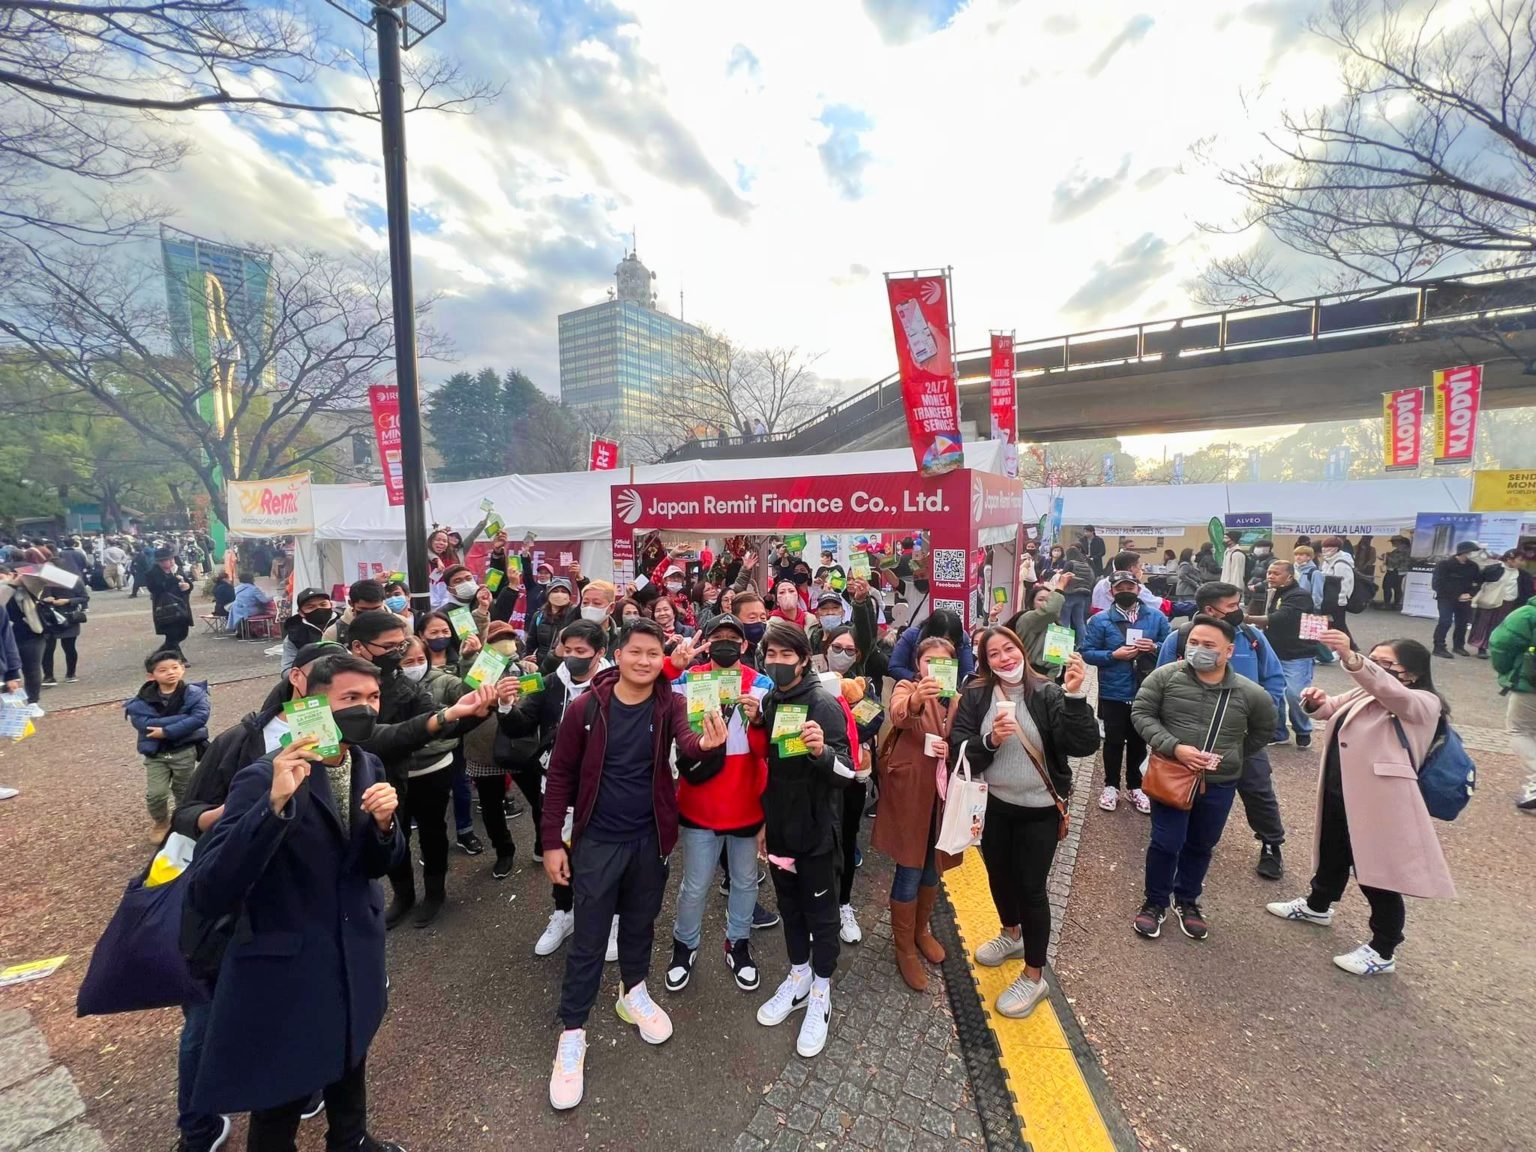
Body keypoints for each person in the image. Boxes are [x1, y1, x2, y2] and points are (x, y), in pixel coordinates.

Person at [183, 653, 409, 1152]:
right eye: (350, 698)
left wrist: (385, 826)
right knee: (282, 1089)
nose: (366, 710)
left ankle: (350, 1138)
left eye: (372, 699)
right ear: (310, 703)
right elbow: (212, 886)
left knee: (351, 1051)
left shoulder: (366, 762)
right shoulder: (265, 775)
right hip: (291, 960)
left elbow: (377, 864)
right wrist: (273, 808)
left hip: (356, 947)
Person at [542, 619, 726, 1110]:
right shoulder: (586, 708)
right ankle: (573, 1031)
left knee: (641, 924)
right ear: (617, 655)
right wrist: (551, 845)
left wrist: (709, 746)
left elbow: (688, 744)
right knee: (589, 938)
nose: (644, 661)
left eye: (653, 654)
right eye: (636, 652)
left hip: (650, 838)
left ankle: (634, 991)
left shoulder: (671, 703)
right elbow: (559, 775)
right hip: (597, 842)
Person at [1266, 632, 1456, 975]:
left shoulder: (1424, 702)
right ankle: (1317, 905)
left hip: (1383, 800)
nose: (1376, 669)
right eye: (1374, 660)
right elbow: (1328, 710)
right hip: (1344, 790)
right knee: (1333, 850)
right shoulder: (1366, 691)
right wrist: (1314, 700)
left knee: (1378, 873)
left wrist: (1354, 659)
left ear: (1411, 673)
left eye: (1385, 664)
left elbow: (1390, 691)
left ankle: (1383, 949)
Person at [951, 628, 1098, 1016]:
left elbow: (1082, 746)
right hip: (995, 805)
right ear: (986, 661)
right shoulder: (976, 693)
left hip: (1040, 810)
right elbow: (958, 748)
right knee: (998, 877)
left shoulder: (1048, 692)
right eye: (994, 653)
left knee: (1031, 888)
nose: (1004, 658)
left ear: (1022, 651)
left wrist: (1076, 696)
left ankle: (1034, 977)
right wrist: (991, 742)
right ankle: (1010, 934)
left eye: (1009, 649)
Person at [345, 608, 497, 927]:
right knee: (391, 833)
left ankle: (434, 894)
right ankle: (402, 896)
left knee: (433, 831)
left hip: (431, 772)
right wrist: (443, 717)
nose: (401, 654)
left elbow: (441, 726)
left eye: (404, 646)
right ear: (359, 647)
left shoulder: (408, 685)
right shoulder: (332, 681)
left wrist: (477, 712)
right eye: (391, 647)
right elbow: (374, 738)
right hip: (379, 779)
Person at [1131, 617, 1278, 942]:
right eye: (1194, 643)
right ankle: (1155, 902)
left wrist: (1231, 757)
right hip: (1171, 775)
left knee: (1201, 843)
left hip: (1219, 783)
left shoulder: (1251, 694)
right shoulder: (1165, 677)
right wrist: (1175, 748)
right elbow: (1141, 714)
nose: (1198, 650)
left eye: (1208, 645)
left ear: (1228, 651)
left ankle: (1188, 900)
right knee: (1166, 842)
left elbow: (1262, 733)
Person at [752, 619, 855, 1059]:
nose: (776, 663)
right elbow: (773, 768)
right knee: (789, 907)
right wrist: (764, 824)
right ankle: (797, 976)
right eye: (770, 655)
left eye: (785, 656)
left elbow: (850, 774)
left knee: (822, 915)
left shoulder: (823, 703)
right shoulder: (773, 699)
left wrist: (822, 752)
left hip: (816, 833)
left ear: (802, 659)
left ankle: (821, 991)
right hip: (779, 827)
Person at [662, 614, 773, 995]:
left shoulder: (761, 684)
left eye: (733, 637)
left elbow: (768, 750)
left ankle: (737, 943)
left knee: (744, 882)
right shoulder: (687, 681)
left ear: (744, 645)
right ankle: (684, 946)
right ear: (706, 643)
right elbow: (648, 690)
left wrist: (759, 722)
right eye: (717, 636)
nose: (726, 642)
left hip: (746, 805)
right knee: (694, 885)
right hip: (698, 804)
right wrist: (671, 663)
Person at [1157, 581, 1290, 878]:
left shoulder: (1251, 637)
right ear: (1210, 610)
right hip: (1188, 738)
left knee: (1257, 790)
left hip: (1239, 738)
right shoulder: (1178, 640)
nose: (1239, 611)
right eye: (1232, 606)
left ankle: (1271, 844)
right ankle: (1176, 846)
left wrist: (1257, 721)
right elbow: (1159, 687)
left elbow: (1274, 679)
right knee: (1176, 789)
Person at [497, 619, 610, 955]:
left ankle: (612, 918)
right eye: (567, 649)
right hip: (558, 784)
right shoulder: (547, 683)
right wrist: (505, 705)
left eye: (581, 651)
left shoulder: (614, 684)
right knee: (561, 850)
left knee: (606, 854)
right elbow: (519, 726)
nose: (572, 657)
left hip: (604, 785)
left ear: (600, 653)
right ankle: (564, 912)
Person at [876, 636, 960, 991]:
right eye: (929, 661)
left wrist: (951, 746)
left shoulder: (956, 698)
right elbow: (899, 714)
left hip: (942, 799)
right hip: (910, 794)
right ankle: (903, 947)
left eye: (944, 663)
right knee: (909, 868)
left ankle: (921, 930)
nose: (935, 669)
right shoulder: (908, 688)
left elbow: (967, 736)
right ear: (918, 664)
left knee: (932, 868)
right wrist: (915, 699)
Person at [1083, 570, 1169, 813]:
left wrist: (1154, 647)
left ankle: (1136, 786)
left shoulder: (1156, 617)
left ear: (1138, 590)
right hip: (1113, 690)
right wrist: (1113, 655)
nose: (1125, 592)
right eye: (1120, 588)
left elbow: (1170, 648)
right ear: (1112, 592)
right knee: (1112, 741)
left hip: (1145, 689)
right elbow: (1087, 652)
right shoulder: (1100, 621)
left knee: (1139, 740)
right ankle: (1111, 786)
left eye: (1129, 588)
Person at [124, 650, 209, 844]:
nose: (171, 672)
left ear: (183, 669)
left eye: (175, 667)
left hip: (184, 750)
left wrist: (166, 730)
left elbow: (199, 717)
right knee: (156, 794)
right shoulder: (142, 699)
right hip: (156, 753)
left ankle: (184, 822)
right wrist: (181, 720)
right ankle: (161, 822)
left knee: (184, 790)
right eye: (163, 670)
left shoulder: (193, 693)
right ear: (151, 676)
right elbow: (142, 722)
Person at [1263, 560, 1320, 749]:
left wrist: (1246, 619)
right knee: (1273, 695)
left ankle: (1303, 730)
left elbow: (1282, 617)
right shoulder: (1272, 591)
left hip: (1297, 654)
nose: (1270, 576)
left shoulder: (1300, 596)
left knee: (1295, 695)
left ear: (1289, 576)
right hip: (1274, 652)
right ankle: (1278, 733)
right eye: (1269, 572)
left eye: (1276, 573)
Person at [1489, 595, 1536, 811]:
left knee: (1520, 729)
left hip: (1530, 685)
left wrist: (1509, 672)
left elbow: (1500, 645)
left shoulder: (1527, 614)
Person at [1469, 550, 1530, 657]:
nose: (1522, 563)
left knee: (1503, 626)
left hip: (1510, 603)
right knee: (1485, 624)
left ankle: (1499, 648)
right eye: (1520, 560)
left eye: (1523, 560)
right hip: (1490, 601)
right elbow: (1479, 583)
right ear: (1509, 559)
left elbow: (1526, 591)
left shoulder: (1524, 575)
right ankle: (1482, 647)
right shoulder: (1493, 569)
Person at [1431, 540, 1486, 657]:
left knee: (1463, 622)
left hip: (1465, 599)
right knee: (1445, 621)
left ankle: (1458, 646)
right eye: (1471, 552)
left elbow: (1477, 582)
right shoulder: (1444, 565)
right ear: (1463, 552)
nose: (1473, 554)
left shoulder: (1473, 566)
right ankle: (1439, 647)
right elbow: (1437, 584)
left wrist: (1471, 594)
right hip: (1446, 598)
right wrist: (1457, 595)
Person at [888, 608, 974, 682]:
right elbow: (895, 667)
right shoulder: (911, 635)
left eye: (952, 641)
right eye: (945, 639)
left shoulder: (963, 638)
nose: (947, 644)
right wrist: (917, 678)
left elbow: (967, 673)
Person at [144, 546, 194, 661]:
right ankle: (180, 659)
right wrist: (174, 579)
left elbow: (189, 584)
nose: (172, 561)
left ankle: (158, 654)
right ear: (160, 562)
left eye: (172, 558)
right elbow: (156, 588)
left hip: (181, 607)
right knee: (172, 635)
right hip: (166, 609)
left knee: (182, 633)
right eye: (168, 559)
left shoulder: (177, 569)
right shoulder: (152, 573)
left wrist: (187, 587)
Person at [39, 572, 88, 686]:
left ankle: (70, 674)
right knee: (48, 648)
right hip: (49, 617)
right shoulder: (42, 581)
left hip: (68, 617)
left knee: (69, 647)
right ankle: (49, 676)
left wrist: (67, 600)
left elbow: (84, 597)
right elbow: (36, 598)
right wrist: (44, 599)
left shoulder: (74, 580)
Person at [280, 587, 338, 673]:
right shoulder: (294, 635)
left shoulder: (345, 624)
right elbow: (287, 669)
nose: (318, 609)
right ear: (301, 612)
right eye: (311, 607)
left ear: (331, 605)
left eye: (323, 604)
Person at [1317, 536, 1357, 648]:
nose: (1325, 549)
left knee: (1338, 625)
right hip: (1329, 597)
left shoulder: (1341, 563)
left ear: (1337, 548)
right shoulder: (1327, 561)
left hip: (1337, 600)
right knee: (1336, 624)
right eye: (1324, 547)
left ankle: (1344, 647)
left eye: (1329, 547)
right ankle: (1350, 646)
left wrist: (1341, 600)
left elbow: (1345, 584)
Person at [1090, 551, 1162, 614]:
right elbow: (1157, 605)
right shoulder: (1134, 587)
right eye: (1139, 566)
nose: (1140, 569)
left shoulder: (1101, 583)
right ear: (1131, 568)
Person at [226, 569, 275, 638]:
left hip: (237, 610)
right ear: (251, 579)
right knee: (263, 610)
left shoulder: (237, 588)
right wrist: (274, 597)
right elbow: (264, 600)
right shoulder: (253, 589)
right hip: (248, 610)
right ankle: (258, 631)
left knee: (255, 609)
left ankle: (246, 631)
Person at [1381, 535, 1412, 610]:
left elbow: (1396, 561)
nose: (1392, 543)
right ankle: (1396, 604)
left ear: (1398, 542)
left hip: (1396, 571)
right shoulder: (1400, 549)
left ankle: (1388, 604)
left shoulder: (1403, 550)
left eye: (1393, 541)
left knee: (1387, 586)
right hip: (1397, 571)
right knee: (1396, 587)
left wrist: (1387, 557)